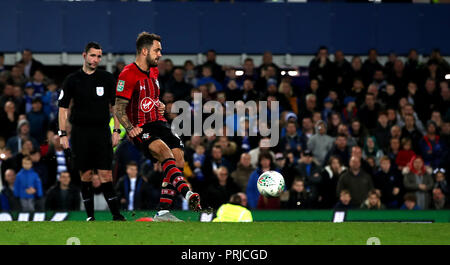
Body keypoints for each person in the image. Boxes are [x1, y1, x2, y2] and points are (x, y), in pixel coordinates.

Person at [114, 32, 201, 222]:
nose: (160, 54)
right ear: (144, 51)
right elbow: (118, 107)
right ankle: (188, 194)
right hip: (140, 128)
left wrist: (159, 103)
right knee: (164, 153)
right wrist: (129, 128)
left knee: (178, 160)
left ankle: (163, 212)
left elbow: (149, 98)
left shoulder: (153, 71)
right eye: (157, 50)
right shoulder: (127, 74)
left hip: (159, 122)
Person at [58, 41, 125, 221]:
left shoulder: (107, 78)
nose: (96, 59)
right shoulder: (72, 80)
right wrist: (63, 134)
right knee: (86, 174)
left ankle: (117, 216)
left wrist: (116, 130)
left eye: (99, 56)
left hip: (102, 131)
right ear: (84, 55)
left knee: (106, 173)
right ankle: (90, 217)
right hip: (80, 133)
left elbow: (116, 106)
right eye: (93, 55)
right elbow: (63, 108)